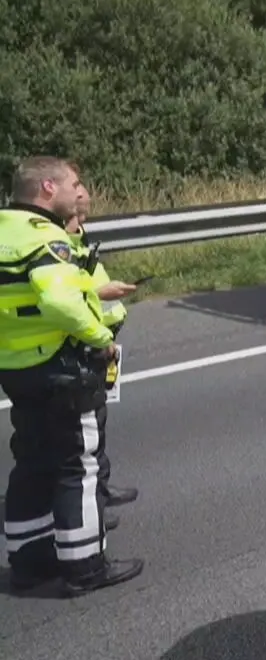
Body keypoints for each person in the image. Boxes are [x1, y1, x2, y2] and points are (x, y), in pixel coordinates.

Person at [1, 157, 142, 595]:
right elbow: (58, 301)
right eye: (73, 183)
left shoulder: (6, 230)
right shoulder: (45, 238)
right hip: (58, 366)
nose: (79, 190)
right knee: (77, 466)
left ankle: (28, 560)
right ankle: (85, 566)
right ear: (47, 187)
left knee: (32, 462)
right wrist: (100, 337)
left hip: (15, 366)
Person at [63, 190, 139, 527]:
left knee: (97, 423)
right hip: (87, 341)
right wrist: (99, 295)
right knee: (80, 435)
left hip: (102, 339)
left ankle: (99, 490)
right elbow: (66, 296)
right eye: (76, 186)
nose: (86, 194)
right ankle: (87, 505)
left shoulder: (79, 234)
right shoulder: (58, 241)